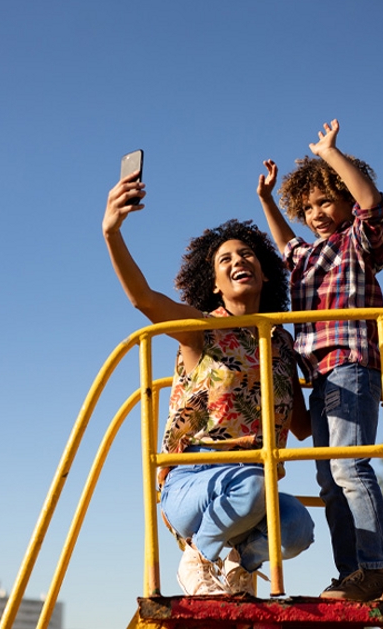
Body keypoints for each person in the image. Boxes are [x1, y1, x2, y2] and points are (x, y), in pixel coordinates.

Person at [103, 171, 314, 597]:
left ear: (267, 273)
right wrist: (112, 233)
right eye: (226, 260)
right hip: (194, 480)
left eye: (249, 254)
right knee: (254, 489)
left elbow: (304, 427)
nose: (240, 261)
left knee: (298, 527)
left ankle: (239, 561)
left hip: (252, 481)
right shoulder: (201, 330)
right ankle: (197, 556)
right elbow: (144, 299)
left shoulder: (280, 341)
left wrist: (369, 376)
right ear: (215, 285)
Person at [256, 119, 383, 601]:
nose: (317, 213)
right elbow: (283, 245)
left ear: (343, 200)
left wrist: (332, 155)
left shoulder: (355, 243)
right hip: (320, 377)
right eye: (309, 206)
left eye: (326, 201)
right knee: (328, 477)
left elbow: (372, 207)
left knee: (349, 465)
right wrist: (268, 202)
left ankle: (378, 565)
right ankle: (352, 571)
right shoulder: (308, 255)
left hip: (352, 364)